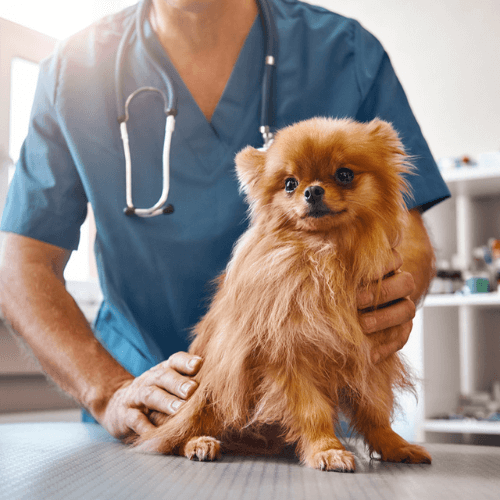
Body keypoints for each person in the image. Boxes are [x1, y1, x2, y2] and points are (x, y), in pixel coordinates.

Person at [0, 0, 450, 444]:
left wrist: (388, 296)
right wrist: (110, 391)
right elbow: (22, 265)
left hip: (320, 411)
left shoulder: (345, 51)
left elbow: (405, 228)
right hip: (140, 405)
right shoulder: (74, 69)